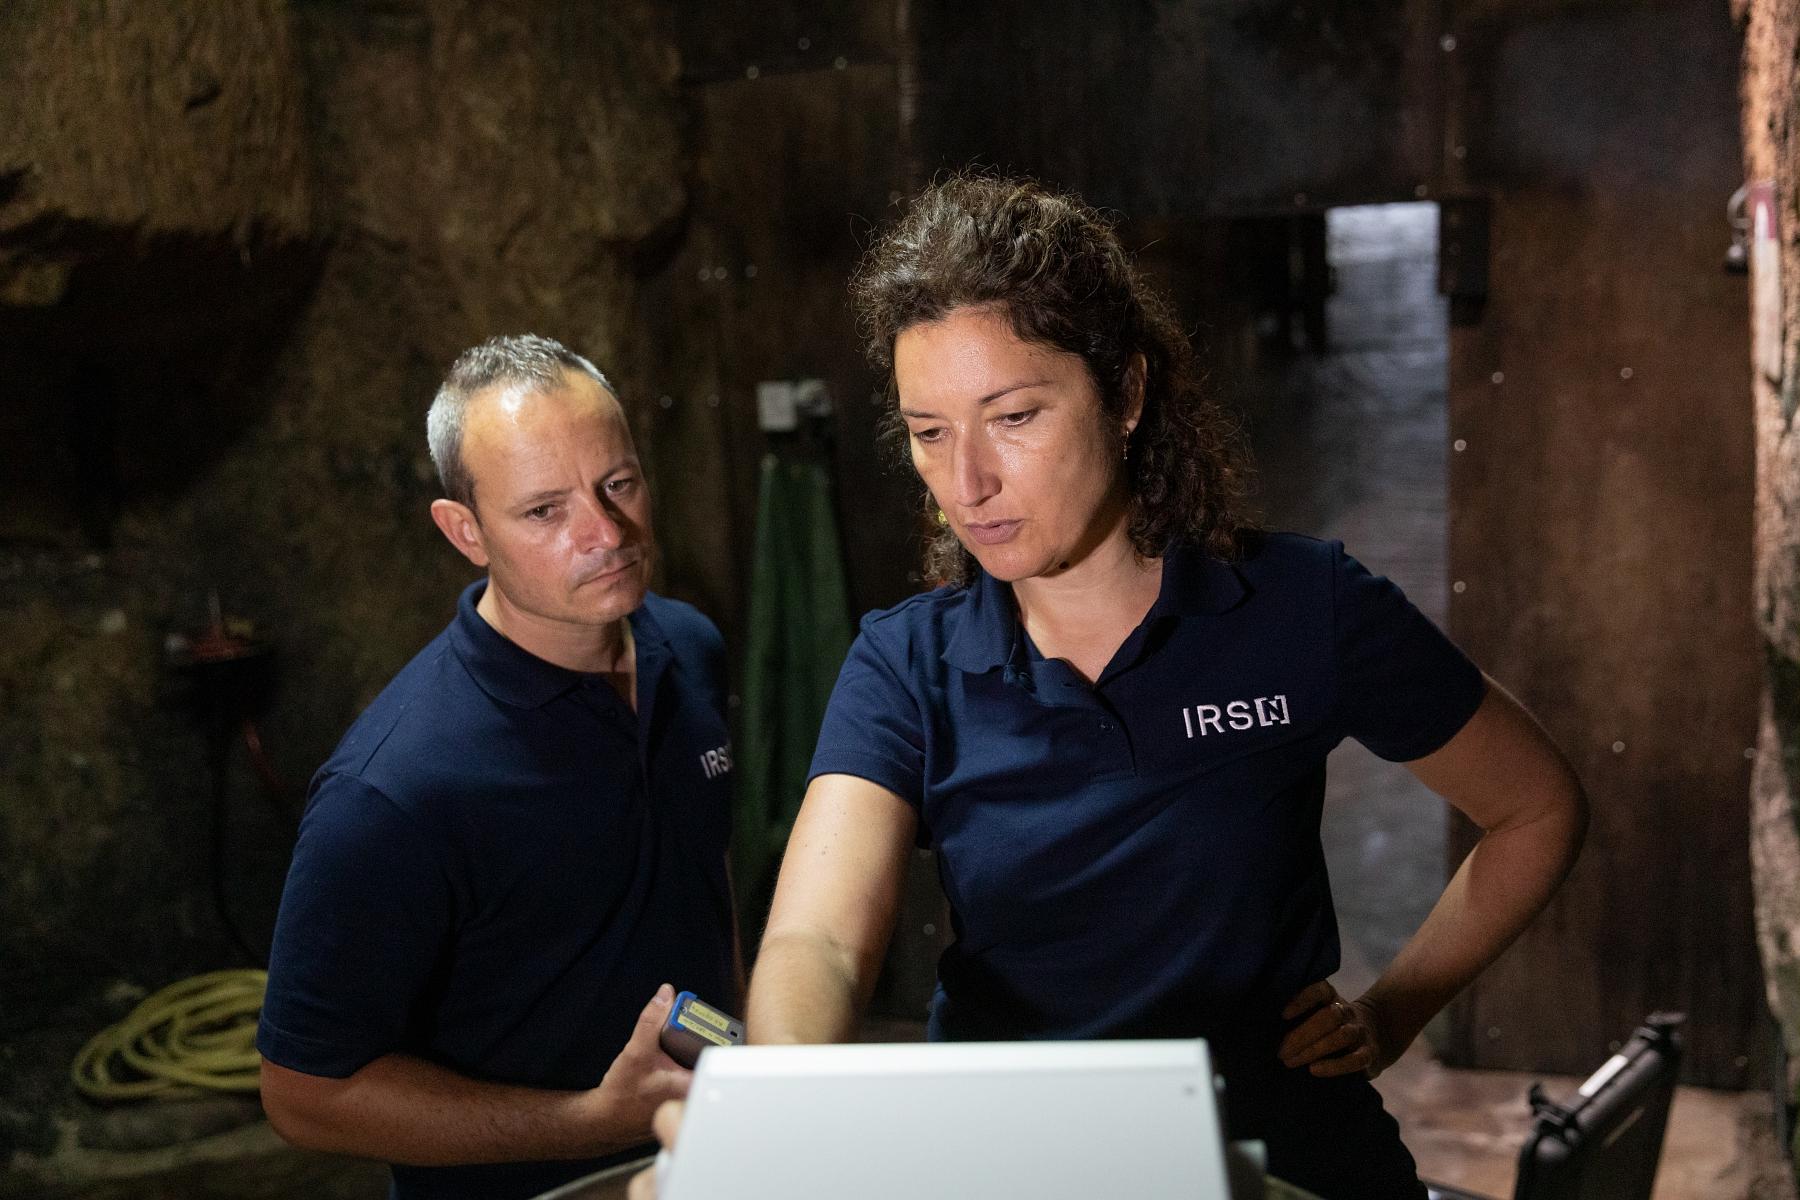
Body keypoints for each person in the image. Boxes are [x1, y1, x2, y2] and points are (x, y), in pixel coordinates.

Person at [744, 176, 1588, 1199]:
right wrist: (787, 1111)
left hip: (1281, 1157)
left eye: (1014, 416)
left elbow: (1536, 808)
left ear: (1127, 395)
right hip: (1020, 1168)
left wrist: (1394, 1010)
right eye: (930, 432)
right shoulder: (907, 665)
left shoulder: (1301, 606)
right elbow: (819, 939)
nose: (968, 483)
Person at [257, 334, 736, 1200]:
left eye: (618, 483)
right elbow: (304, 1095)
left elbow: (705, 875)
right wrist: (592, 1122)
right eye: (544, 511)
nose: (606, 533)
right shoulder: (392, 791)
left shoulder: (689, 648)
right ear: (465, 532)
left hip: (705, 1161)